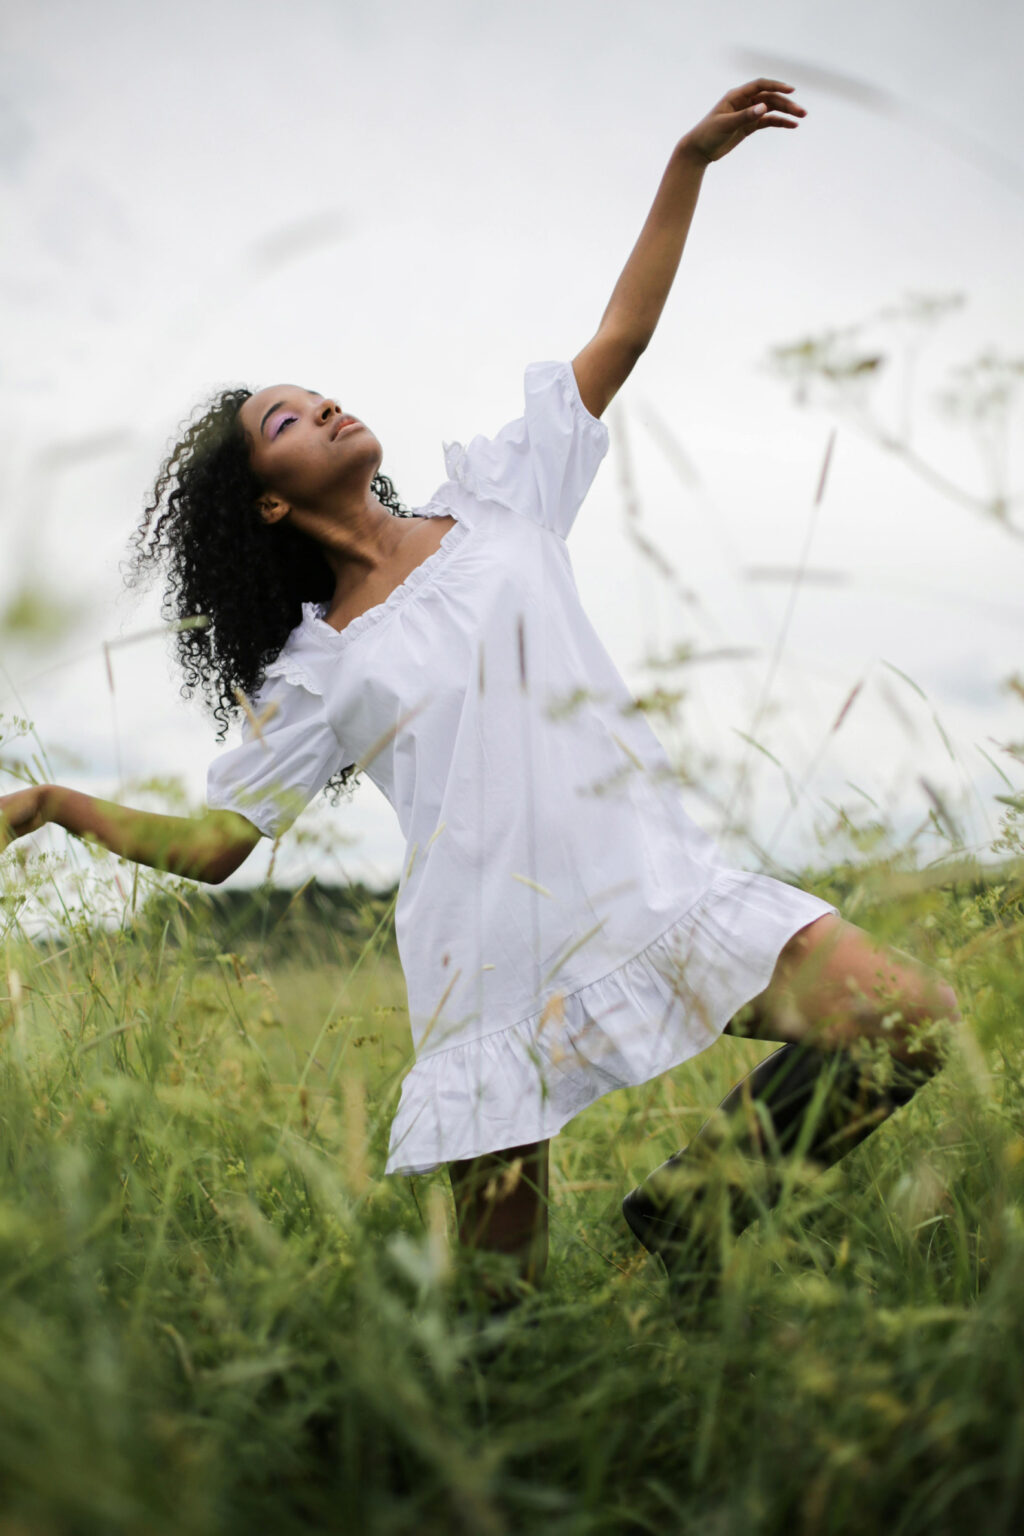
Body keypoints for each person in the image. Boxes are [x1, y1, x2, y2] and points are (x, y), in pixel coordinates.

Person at [1, 80, 960, 1310]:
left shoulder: (502, 500)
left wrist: (686, 163)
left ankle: (695, 1213)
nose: (323, 403)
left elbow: (619, 337)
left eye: (318, 390)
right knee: (500, 1317)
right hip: (490, 969)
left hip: (658, 894)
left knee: (906, 1019)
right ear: (269, 502)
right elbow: (217, 844)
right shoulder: (314, 670)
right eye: (286, 418)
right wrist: (52, 803)